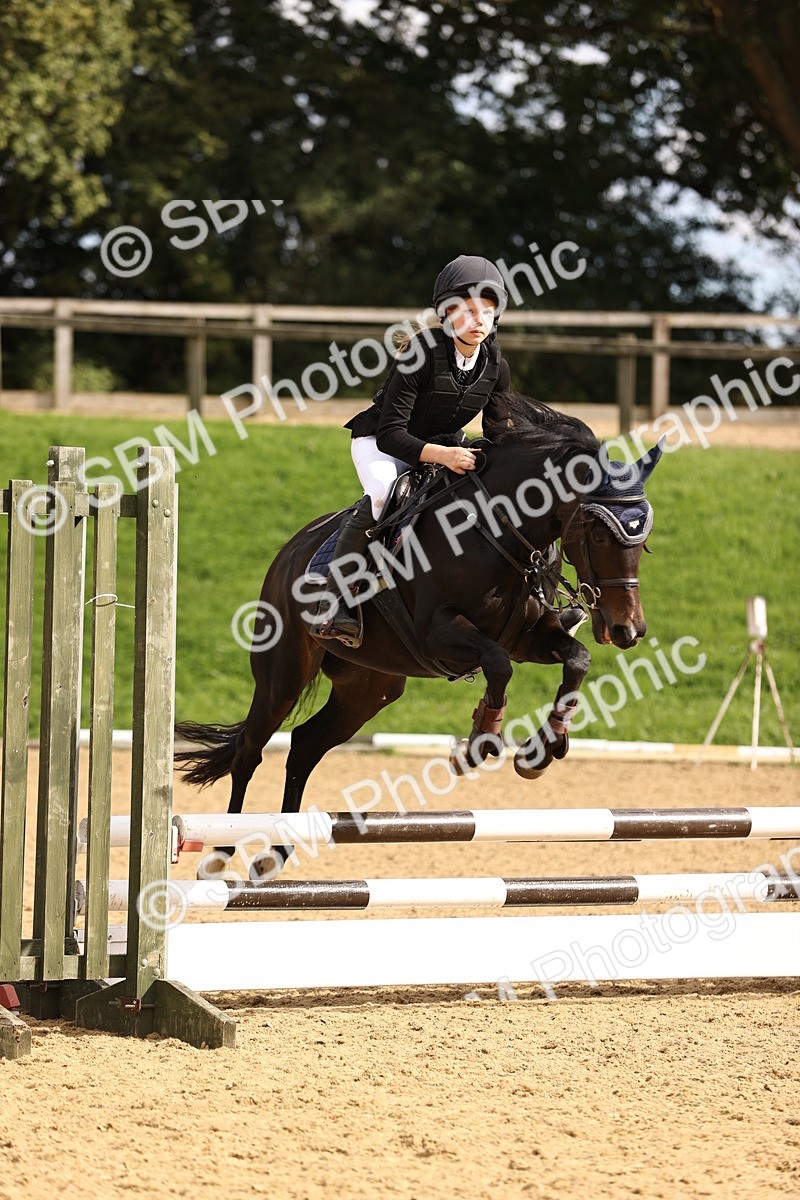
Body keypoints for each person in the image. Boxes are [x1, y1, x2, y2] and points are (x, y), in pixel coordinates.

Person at [317, 254, 511, 644]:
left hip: (445, 445)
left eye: (487, 313)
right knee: (382, 494)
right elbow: (391, 435)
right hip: (383, 443)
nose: (479, 321)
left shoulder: (495, 365)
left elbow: (498, 434)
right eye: (469, 311)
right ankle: (334, 602)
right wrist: (445, 456)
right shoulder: (420, 354)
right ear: (447, 313)